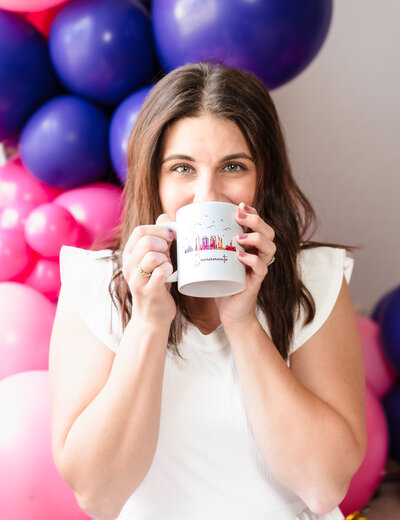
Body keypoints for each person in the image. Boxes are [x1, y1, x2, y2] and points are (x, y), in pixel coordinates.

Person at [49, 62, 366, 520]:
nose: (207, 197)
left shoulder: (313, 277)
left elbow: (324, 486)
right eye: (182, 169)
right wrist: (149, 321)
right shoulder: (95, 284)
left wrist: (242, 319)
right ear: (153, 182)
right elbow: (98, 495)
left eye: (233, 167)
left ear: (264, 179)